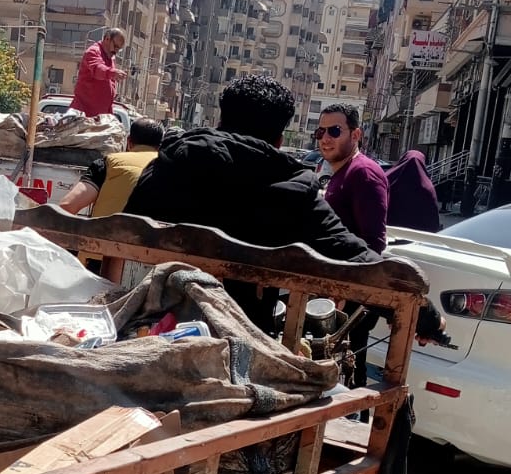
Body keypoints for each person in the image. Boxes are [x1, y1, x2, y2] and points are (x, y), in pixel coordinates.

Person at [125, 74, 379, 327]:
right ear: (279, 141)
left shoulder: (167, 166)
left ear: (220, 121)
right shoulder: (294, 193)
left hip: (137, 324)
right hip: (240, 336)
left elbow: (125, 229)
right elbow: (357, 258)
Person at [316, 103, 389, 254]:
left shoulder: (364, 173)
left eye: (335, 131)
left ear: (355, 135)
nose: (325, 139)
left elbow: (373, 245)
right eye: (320, 132)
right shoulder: (344, 170)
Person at [58, 118, 165, 217]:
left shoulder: (108, 163)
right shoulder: (168, 170)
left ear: (128, 141)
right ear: (161, 145)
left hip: (103, 231)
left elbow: (67, 206)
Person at [71, 27, 125, 118]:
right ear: (107, 39)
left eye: (119, 49)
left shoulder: (110, 58)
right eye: (115, 46)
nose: (116, 51)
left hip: (100, 116)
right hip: (85, 115)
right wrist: (113, 73)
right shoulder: (93, 52)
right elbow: (97, 69)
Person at [386, 149, 441, 234]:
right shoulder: (427, 187)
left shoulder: (390, 180)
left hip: (389, 232)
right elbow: (433, 218)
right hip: (417, 237)